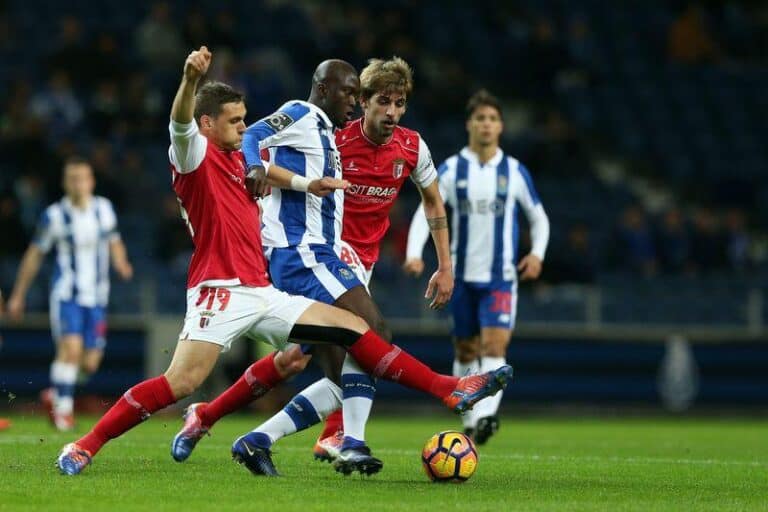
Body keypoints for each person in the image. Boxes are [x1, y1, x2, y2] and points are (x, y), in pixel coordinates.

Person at [56, 47, 511, 476]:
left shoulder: (242, 163)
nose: (243, 127)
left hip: (263, 290)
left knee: (355, 332)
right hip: (220, 289)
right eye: (233, 121)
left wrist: (306, 183)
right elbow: (180, 123)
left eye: (244, 119)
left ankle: (447, 389)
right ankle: (84, 445)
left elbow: (268, 168)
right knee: (180, 382)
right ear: (207, 124)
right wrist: (189, 80)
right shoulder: (195, 157)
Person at [171, 57, 453, 476]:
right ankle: (348, 438)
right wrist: (251, 180)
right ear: (364, 101)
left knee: (295, 361)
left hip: (359, 266)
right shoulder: (333, 136)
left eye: (399, 103)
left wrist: (444, 264)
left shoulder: (411, 146)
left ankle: (218, 420)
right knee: (363, 344)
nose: (389, 112)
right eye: (379, 101)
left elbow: (433, 201)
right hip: (321, 258)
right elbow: (257, 148)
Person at [405, 89, 549, 445]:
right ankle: (470, 419)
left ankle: (486, 418)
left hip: (500, 278)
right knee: (466, 352)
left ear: (501, 127)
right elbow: (428, 208)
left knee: (494, 347)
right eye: (481, 118)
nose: (487, 125)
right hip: (462, 279)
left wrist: (538, 254)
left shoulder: (514, 172)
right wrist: (414, 252)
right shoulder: (453, 169)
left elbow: (539, 217)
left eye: (493, 119)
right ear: (469, 124)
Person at [6, 157, 133, 431]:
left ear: (92, 181)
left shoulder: (104, 209)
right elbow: (34, 255)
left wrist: (121, 262)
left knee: (90, 363)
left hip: (97, 297)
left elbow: (115, 242)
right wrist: (18, 295)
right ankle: (63, 410)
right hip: (66, 294)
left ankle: (54, 392)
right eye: (73, 179)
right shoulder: (54, 216)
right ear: (65, 183)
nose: (78, 184)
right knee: (71, 351)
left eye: (83, 178)